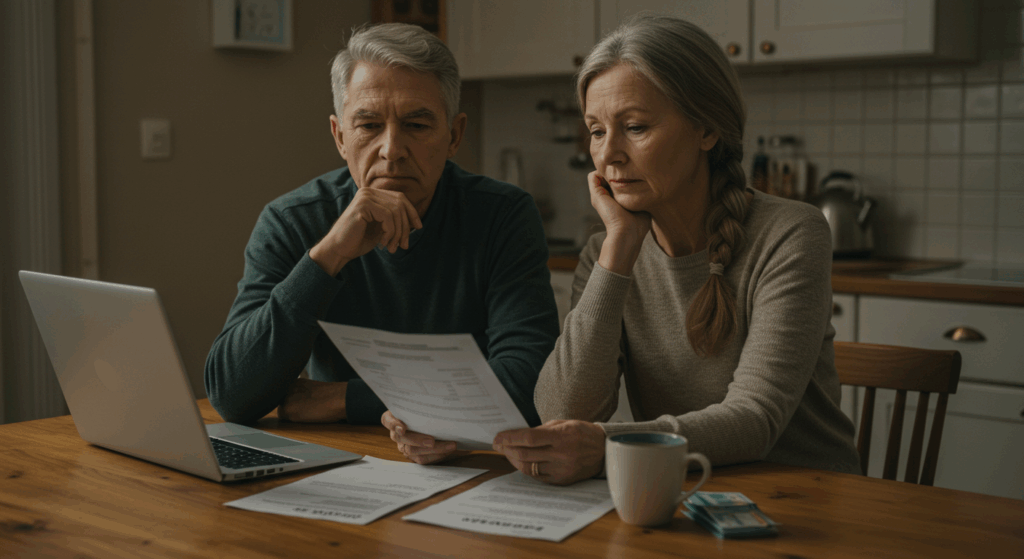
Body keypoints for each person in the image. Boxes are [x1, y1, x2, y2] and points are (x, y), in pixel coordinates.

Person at [490, 14, 862, 485]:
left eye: (636, 127)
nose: (608, 155)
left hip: (807, 500)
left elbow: (755, 419)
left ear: (706, 130)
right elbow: (564, 409)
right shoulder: (605, 252)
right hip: (683, 490)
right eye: (597, 130)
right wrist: (620, 249)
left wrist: (609, 445)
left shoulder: (791, 233)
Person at [205, 23, 559, 464]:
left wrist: (343, 400)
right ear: (339, 136)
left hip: (468, 464)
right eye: (369, 125)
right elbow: (232, 394)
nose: (392, 150)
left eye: (416, 124)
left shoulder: (503, 216)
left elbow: (529, 386)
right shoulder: (292, 220)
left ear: (454, 135)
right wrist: (328, 255)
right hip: (340, 463)